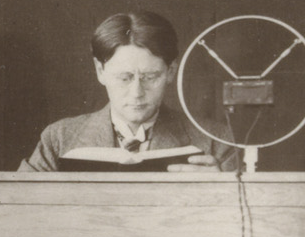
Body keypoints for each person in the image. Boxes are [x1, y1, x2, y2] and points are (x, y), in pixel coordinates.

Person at [18, 10, 240, 172]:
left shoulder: (217, 142)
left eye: (150, 77)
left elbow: (240, 219)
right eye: (124, 78)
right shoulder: (58, 139)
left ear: (171, 71)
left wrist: (219, 192)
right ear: (100, 71)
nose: (136, 92)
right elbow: (17, 208)